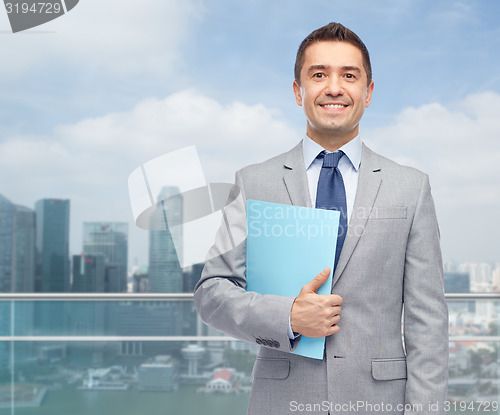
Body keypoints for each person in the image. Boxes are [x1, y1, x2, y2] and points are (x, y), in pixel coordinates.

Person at [194, 22, 448, 415]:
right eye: (318, 75)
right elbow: (212, 292)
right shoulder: (255, 182)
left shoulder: (410, 188)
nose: (334, 88)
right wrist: (287, 317)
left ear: (369, 92)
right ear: (298, 91)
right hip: (281, 401)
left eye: (349, 75)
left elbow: (427, 322)